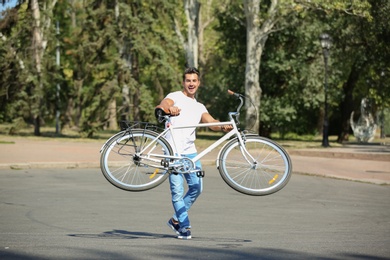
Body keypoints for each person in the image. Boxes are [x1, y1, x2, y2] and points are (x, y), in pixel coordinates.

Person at [155, 67, 232, 240]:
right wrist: (169, 109)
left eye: (194, 81)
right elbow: (163, 105)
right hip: (173, 152)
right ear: (184, 82)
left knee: (197, 188)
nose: (191, 83)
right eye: (188, 80)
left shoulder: (199, 106)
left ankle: (175, 220)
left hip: (190, 153)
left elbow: (211, 122)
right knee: (177, 190)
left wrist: (222, 126)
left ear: (198, 83)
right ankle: (184, 225)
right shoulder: (174, 96)